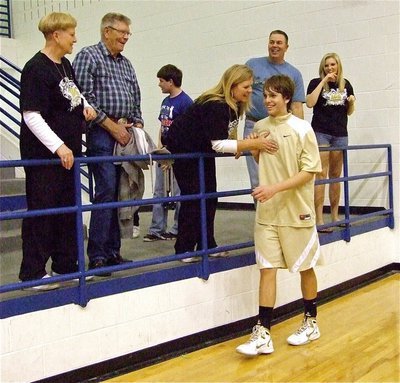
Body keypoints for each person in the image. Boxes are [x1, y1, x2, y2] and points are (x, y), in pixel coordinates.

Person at [236, 75, 322, 356]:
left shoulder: (302, 129)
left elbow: (309, 171)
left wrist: (274, 188)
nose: (268, 100)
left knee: (305, 267)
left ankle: (311, 321)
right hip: (267, 212)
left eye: (274, 96)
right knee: (267, 269)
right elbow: (264, 162)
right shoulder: (260, 126)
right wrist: (254, 148)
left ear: (286, 98)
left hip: (296, 211)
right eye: (265, 95)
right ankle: (263, 332)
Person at [163, 64, 278, 263]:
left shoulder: (234, 106)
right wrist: (251, 144)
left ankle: (207, 244)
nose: (250, 91)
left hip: (201, 152)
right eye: (246, 86)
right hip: (186, 152)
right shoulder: (215, 104)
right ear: (232, 85)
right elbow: (217, 144)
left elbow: (225, 134)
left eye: (251, 86)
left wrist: (237, 145)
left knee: (209, 197)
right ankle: (184, 249)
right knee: (194, 198)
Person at [18, 12, 96, 290]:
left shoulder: (65, 65)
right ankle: (33, 272)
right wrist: (58, 146)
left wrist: (85, 105)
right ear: (56, 35)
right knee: (43, 211)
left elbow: (72, 93)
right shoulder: (35, 69)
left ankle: (65, 265)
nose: (75, 38)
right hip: (44, 157)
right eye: (71, 33)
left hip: (69, 155)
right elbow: (32, 115)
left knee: (66, 211)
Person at [73, 12, 144, 274]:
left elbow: (135, 96)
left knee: (121, 190)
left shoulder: (126, 64)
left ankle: (113, 251)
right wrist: (112, 127)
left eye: (128, 33)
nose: (126, 37)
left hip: (126, 131)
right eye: (122, 32)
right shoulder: (88, 56)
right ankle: (98, 255)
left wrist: (136, 124)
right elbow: (84, 98)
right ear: (107, 31)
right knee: (105, 190)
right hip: (101, 133)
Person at [244, 30, 305, 191]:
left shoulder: (294, 74)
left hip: (282, 128)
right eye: (272, 42)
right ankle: (262, 214)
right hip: (254, 126)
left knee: (282, 173)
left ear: (286, 47)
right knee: (257, 178)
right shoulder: (252, 65)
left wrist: (301, 134)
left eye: (279, 43)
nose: (274, 46)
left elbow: (297, 106)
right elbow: (238, 94)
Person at [306, 53, 355, 232]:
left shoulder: (346, 84)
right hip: (321, 133)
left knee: (336, 176)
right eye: (326, 65)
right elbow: (309, 103)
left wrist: (351, 101)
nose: (330, 68)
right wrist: (324, 80)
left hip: (340, 134)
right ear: (323, 67)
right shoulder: (315, 82)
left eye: (333, 65)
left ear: (338, 66)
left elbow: (349, 112)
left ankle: (335, 215)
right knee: (320, 175)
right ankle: (319, 219)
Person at [143, 64, 193, 242]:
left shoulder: (186, 103)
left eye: (161, 81)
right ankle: (157, 228)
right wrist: (160, 149)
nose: (159, 85)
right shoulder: (165, 102)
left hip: (177, 154)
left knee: (179, 193)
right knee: (159, 192)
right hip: (164, 151)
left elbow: (187, 132)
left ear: (171, 82)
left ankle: (178, 228)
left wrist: (173, 155)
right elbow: (162, 126)